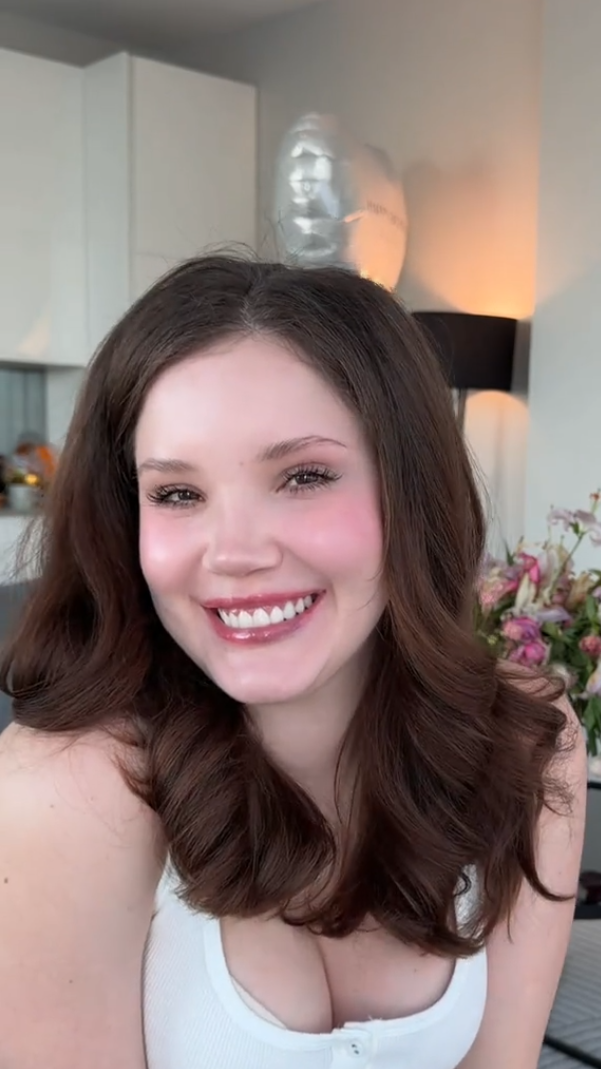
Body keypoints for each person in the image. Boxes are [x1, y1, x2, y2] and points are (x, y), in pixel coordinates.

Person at [0, 255, 586, 1069]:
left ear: (410, 491)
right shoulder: (68, 788)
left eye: (303, 476)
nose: (234, 552)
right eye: (176, 493)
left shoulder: (528, 741)